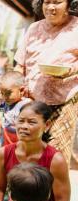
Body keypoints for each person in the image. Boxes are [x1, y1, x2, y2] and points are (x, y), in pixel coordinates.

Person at [14, 0, 78, 165]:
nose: (51, 7)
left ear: (68, 4)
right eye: (47, 2)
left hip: (65, 102)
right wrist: (16, 82)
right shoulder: (34, 28)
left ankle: (55, 190)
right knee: (29, 155)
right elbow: (20, 64)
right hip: (34, 102)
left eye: (57, 2)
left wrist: (70, 70)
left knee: (57, 156)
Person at [0, 71, 32, 146]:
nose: (4, 97)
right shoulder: (4, 106)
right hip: (6, 145)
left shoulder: (26, 106)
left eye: (8, 93)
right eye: (2, 93)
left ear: (21, 90)